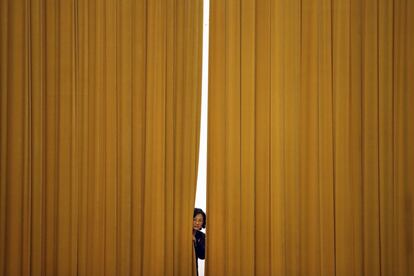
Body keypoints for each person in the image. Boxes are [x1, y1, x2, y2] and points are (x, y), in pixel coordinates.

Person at [193, 208, 206, 276]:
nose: (197, 223)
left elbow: (202, 256)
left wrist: (196, 242)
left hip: (194, 269)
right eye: (194, 219)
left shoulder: (202, 236)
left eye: (200, 220)